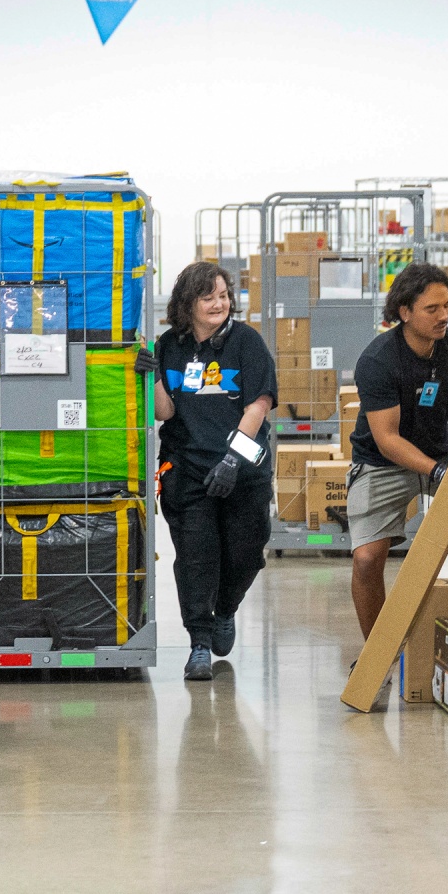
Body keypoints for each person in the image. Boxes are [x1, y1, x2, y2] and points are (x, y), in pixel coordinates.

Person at [152, 261, 276, 681]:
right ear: (187, 304)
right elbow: (165, 412)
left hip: (242, 468)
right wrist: (150, 378)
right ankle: (199, 643)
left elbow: (257, 407)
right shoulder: (169, 345)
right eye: (209, 297)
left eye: (224, 295)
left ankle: (226, 608)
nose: (220, 303)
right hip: (186, 467)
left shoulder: (246, 343)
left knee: (246, 551)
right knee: (195, 556)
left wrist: (231, 459)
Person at [346, 262, 448, 640]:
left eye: (447, 306)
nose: (444, 316)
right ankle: (378, 656)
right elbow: (387, 438)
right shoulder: (378, 361)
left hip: (439, 448)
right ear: (404, 313)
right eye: (432, 309)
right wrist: (438, 473)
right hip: (382, 462)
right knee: (367, 559)